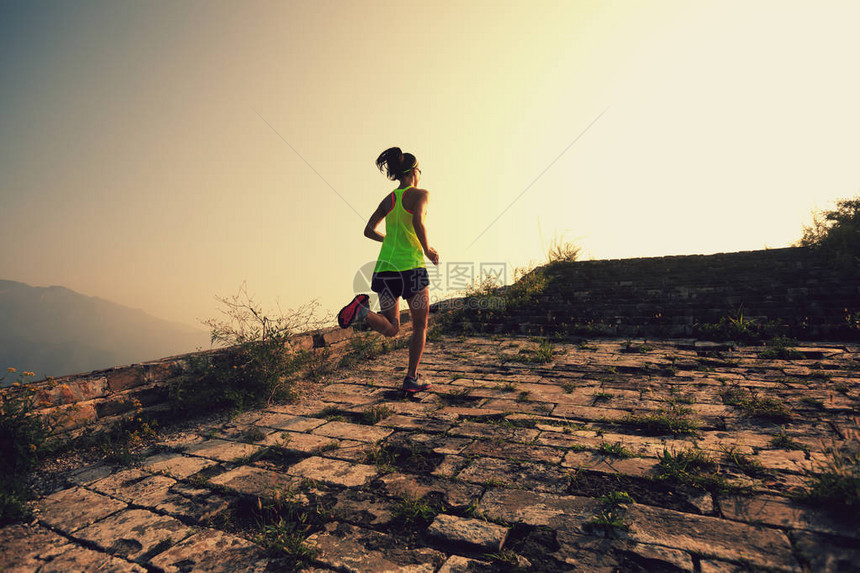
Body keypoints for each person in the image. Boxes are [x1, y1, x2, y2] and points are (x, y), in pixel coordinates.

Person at [337, 147, 440, 393]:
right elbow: (418, 221)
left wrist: (390, 240)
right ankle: (411, 378)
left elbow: (368, 230)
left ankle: (363, 313)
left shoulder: (388, 200)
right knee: (419, 326)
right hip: (411, 269)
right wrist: (427, 250)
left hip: (385, 269)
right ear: (415, 171)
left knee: (392, 327)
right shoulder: (421, 194)